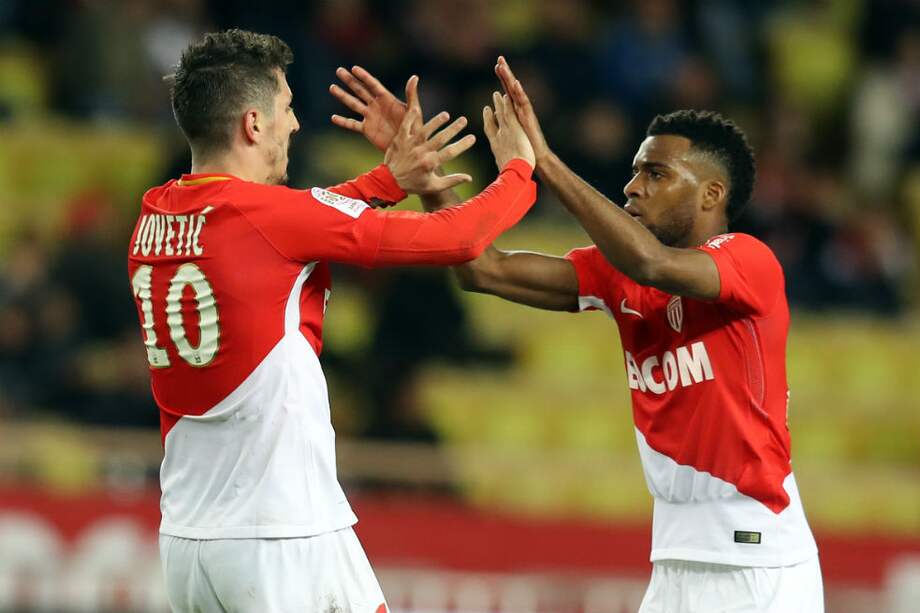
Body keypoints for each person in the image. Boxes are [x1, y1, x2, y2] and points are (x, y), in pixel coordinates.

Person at [330, 57, 823, 613]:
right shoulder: (618, 274)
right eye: (636, 170)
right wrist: (428, 180)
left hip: (758, 562)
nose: (633, 186)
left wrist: (543, 161)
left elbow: (652, 263)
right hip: (674, 561)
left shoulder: (749, 261)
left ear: (711, 195)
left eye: (656, 174)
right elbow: (481, 270)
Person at [128, 30, 536, 613]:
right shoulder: (269, 216)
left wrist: (387, 181)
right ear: (253, 125)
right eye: (287, 109)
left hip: (195, 538)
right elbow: (458, 237)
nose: (294, 124)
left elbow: (289, 228)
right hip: (279, 535)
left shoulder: (155, 212)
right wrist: (523, 169)